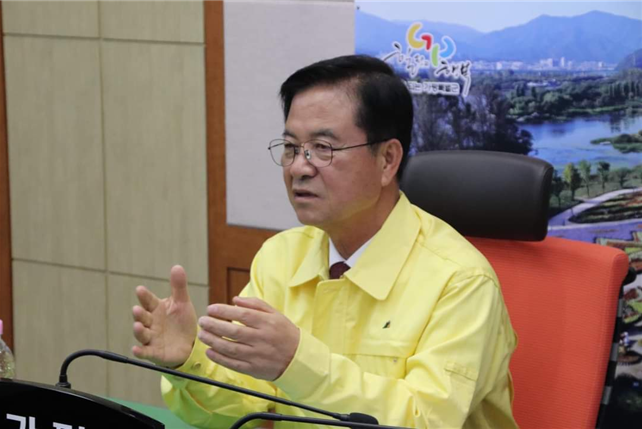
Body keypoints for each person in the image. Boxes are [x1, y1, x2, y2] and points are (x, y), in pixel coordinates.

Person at [131, 55, 518, 428]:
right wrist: (190, 363)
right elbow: (247, 406)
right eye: (291, 148)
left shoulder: (461, 281)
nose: (299, 167)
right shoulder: (282, 257)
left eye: (323, 148)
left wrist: (296, 362)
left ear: (387, 160)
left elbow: (425, 421)